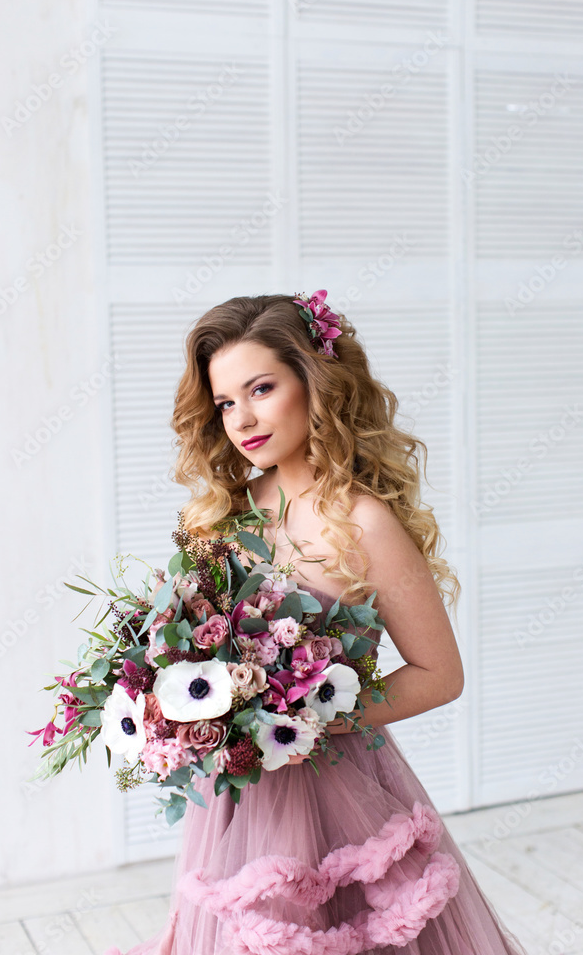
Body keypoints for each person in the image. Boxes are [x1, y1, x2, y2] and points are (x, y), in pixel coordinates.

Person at [103, 291, 531, 955]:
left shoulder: (363, 523)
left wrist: (306, 717)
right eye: (224, 402)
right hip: (239, 799)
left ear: (314, 383)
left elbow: (439, 675)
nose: (241, 417)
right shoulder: (218, 517)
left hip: (343, 795)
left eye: (261, 388)